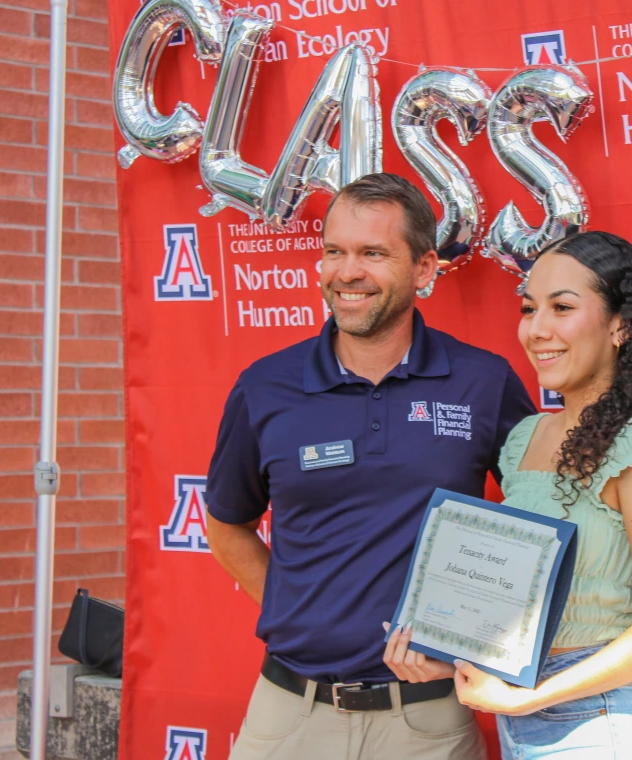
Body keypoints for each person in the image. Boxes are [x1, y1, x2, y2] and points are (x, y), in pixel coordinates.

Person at [204, 173, 536, 760]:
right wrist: (300, 607)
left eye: (373, 253)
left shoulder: (483, 382)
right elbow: (228, 523)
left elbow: (538, 524)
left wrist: (476, 635)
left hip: (428, 720)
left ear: (425, 269)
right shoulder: (265, 387)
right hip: (290, 715)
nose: (346, 272)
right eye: (335, 251)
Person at [383, 231, 632, 759]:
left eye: (562, 307)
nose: (538, 329)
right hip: (523, 716)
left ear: (620, 325)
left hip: (604, 722)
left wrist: (530, 697)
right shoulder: (527, 436)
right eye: (530, 308)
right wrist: (450, 658)